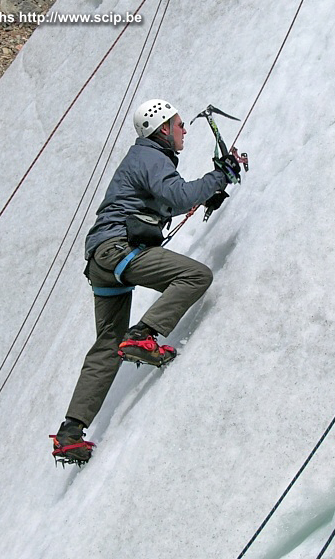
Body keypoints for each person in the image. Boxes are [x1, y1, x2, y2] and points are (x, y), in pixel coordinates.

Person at [51, 99, 241, 464]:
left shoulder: (145, 159)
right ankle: (143, 336)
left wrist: (210, 189)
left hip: (102, 258)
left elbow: (166, 202)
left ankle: (70, 433)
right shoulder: (151, 157)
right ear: (163, 128)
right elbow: (179, 195)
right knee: (195, 275)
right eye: (180, 124)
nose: (185, 130)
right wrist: (220, 176)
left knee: (107, 344)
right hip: (119, 247)